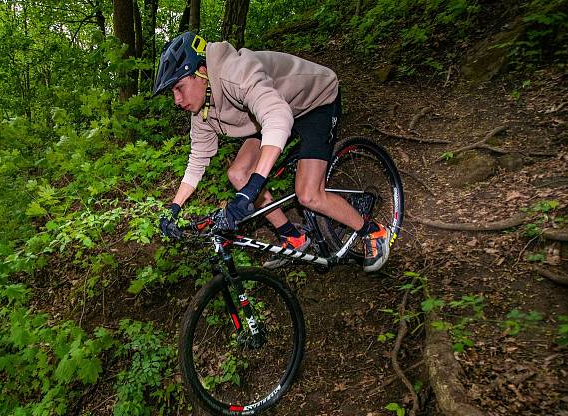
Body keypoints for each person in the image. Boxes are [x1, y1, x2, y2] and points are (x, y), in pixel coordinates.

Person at [154, 32, 391, 272]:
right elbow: (197, 160)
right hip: (267, 115)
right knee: (238, 174)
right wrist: (175, 208)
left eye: (179, 87)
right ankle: (294, 237)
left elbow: (277, 117)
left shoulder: (236, 72)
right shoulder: (202, 112)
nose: (176, 99)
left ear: (201, 72)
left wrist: (254, 187)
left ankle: (373, 231)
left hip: (315, 102)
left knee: (308, 195)